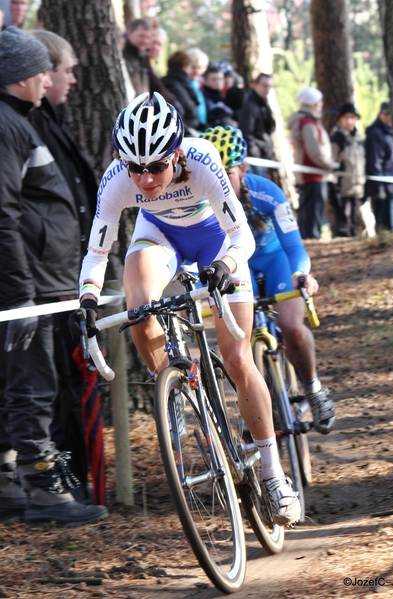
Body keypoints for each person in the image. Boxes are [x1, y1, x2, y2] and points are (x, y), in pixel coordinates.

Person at [69, 92, 301, 526]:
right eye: (135, 166)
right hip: (161, 238)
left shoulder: (204, 160)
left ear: (176, 155)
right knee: (139, 303)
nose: (145, 179)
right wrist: (86, 300)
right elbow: (97, 253)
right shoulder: (117, 179)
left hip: (217, 243)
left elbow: (243, 239)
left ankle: (273, 474)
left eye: (156, 166)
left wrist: (225, 266)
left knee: (237, 357)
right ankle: (172, 388)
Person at [0, 26, 108, 526]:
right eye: (39, 69)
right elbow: (3, 215)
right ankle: (44, 487)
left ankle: (10, 482)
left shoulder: (20, 121)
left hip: (43, 279)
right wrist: (21, 295)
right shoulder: (6, 126)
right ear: (17, 76)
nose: (47, 78)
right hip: (31, 285)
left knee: (25, 382)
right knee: (33, 385)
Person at [203, 125, 336, 436]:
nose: (220, 182)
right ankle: (257, 412)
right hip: (237, 268)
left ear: (243, 169)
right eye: (214, 174)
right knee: (240, 348)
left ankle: (314, 388)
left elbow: (294, 245)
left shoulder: (268, 193)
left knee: (291, 327)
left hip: (276, 261)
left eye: (228, 173)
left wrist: (301, 274)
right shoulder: (201, 203)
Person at [28, 30, 100, 504]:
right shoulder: (28, 124)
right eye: (67, 70)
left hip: (70, 268)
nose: (73, 80)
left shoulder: (54, 120)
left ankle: (81, 475)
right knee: (53, 381)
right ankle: (62, 477)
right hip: (46, 273)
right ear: (45, 73)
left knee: (73, 376)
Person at [287, 86, 335, 240]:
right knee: (311, 216)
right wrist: (331, 165)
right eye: (319, 102)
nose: (321, 105)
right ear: (313, 104)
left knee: (311, 214)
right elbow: (314, 152)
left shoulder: (308, 121)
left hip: (314, 176)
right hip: (312, 176)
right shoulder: (307, 123)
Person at [329, 102, 365, 237]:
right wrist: (333, 187)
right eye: (346, 117)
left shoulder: (359, 138)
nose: (349, 121)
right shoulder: (337, 138)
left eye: (352, 117)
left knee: (354, 219)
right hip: (342, 187)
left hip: (357, 186)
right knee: (343, 219)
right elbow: (332, 163)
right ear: (340, 119)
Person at [365, 101, 393, 232]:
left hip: (392, 187)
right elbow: (374, 162)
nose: (389, 117)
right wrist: (379, 188)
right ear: (380, 114)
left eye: (391, 114)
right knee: (386, 227)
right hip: (383, 189)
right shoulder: (375, 134)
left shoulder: (389, 133)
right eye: (386, 114)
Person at [238, 73, 276, 163]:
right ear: (255, 85)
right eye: (264, 86)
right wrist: (255, 153)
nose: (267, 90)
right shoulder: (250, 105)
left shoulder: (263, 103)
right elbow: (246, 133)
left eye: (270, 86)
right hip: (255, 158)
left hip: (263, 155)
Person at [161, 50, 200, 135]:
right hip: (185, 131)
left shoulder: (165, 82)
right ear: (185, 66)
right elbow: (187, 109)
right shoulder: (177, 85)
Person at [186, 47, 209, 131]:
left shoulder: (196, 84)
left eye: (199, 68)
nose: (196, 71)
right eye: (193, 67)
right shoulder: (185, 84)